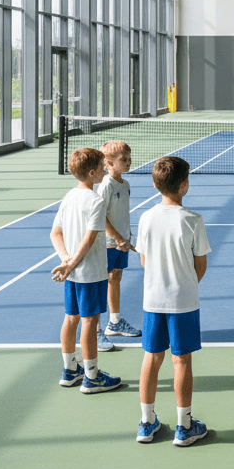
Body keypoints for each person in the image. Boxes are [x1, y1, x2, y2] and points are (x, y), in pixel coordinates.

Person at [135, 156, 213, 446]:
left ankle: (146, 423)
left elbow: (144, 260)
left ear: (156, 185)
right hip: (184, 302)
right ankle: (184, 426)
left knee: (152, 357)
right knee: (181, 361)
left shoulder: (145, 217)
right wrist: (184, 285)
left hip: (153, 300)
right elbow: (200, 265)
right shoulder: (193, 220)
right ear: (184, 185)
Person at [50, 148, 124, 395]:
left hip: (71, 273)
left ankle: (70, 370)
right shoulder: (96, 201)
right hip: (90, 273)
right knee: (90, 323)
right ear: (92, 173)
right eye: (102, 167)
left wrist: (66, 261)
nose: (105, 170)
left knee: (71, 318)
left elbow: (55, 233)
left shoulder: (69, 196)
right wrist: (71, 263)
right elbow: (89, 240)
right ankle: (91, 377)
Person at [97, 141, 140, 350]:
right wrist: (117, 238)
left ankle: (114, 322)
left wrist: (126, 237)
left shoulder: (125, 184)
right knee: (99, 283)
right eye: (124, 159)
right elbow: (100, 216)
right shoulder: (106, 185)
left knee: (115, 277)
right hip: (107, 243)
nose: (128, 162)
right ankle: (95, 329)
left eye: (129, 158)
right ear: (108, 163)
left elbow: (121, 214)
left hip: (121, 242)